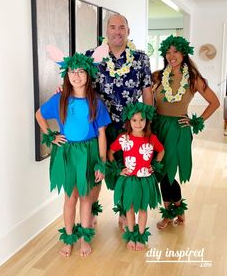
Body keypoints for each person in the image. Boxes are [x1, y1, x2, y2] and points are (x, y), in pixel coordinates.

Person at [35, 53, 111, 257]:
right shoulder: (60, 98)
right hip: (68, 152)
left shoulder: (95, 101)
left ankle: (85, 238)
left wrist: (101, 162)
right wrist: (50, 135)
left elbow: (102, 134)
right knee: (70, 197)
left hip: (89, 152)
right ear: (66, 74)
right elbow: (39, 114)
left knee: (86, 197)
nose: (76, 76)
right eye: (71, 72)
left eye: (80, 71)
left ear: (89, 74)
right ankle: (69, 238)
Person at [86, 14, 153, 227]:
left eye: (121, 27)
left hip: (130, 127)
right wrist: (63, 89)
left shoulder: (141, 59)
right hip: (99, 127)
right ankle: (92, 211)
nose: (117, 31)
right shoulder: (92, 56)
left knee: (129, 171)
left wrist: (149, 123)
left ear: (128, 31)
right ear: (106, 30)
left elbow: (147, 92)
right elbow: (76, 81)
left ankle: (126, 213)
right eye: (113, 27)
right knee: (97, 170)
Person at [152, 35, 220, 229]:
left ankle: (172, 212)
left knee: (169, 172)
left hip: (178, 129)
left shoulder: (194, 79)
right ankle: (174, 211)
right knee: (160, 171)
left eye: (175, 51)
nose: (171, 55)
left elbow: (215, 103)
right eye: (168, 51)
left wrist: (195, 121)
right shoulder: (158, 75)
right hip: (158, 127)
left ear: (184, 53)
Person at [108, 102, 165, 250]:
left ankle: (140, 236)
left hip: (145, 180)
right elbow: (111, 152)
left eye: (141, 120)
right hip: (130, 180)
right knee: (130, 208)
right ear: (129, 121)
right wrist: (118, 169)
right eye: (134, 120)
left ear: (147, 121)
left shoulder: (151, 138)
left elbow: (161, 150)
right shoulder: (124, 138)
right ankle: (131, 235)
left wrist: (155, 164)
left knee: (143, 209)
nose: (138, 123)